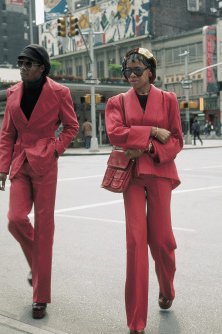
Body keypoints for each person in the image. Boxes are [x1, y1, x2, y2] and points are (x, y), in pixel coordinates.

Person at [0, 44, 79, 319]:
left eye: (28, 64)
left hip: (45, 164)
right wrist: (1, 170)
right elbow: (7, 134)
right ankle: (38, 265)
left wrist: (55, 148)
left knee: (45, 230)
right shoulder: (12, 94)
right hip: (20, 164)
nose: (23, 68)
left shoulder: (59, 92)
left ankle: (40, 297)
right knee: (15, 219)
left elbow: (72, 126)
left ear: (42, 67)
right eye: (20, 63)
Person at [105, 47, 183, 334]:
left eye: (138, 70)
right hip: (133, 176)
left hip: (160, 172)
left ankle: (167, 287)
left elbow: (176, 140)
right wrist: (151, 131)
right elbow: (114, 132)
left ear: (151, 71)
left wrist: (149, 146)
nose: (132, 75)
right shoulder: (116, 102)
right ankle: (136, 323)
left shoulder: (169, 99)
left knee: (162, 240)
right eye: (128, 71)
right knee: (135, 243)